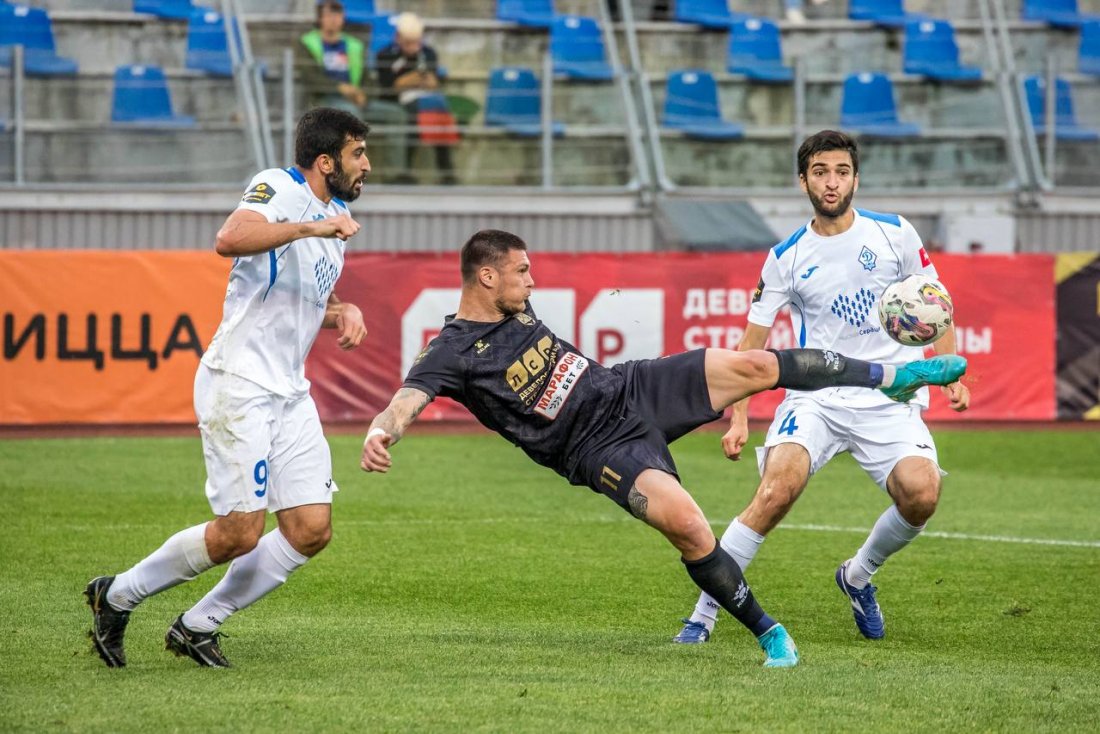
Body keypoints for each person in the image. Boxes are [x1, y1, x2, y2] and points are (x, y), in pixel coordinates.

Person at [359, 228, 967, 668]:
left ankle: (896, 376)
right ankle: (769, 633)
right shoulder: (450, 352)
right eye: (522, 272)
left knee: (757, 365)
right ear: (487, 277)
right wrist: (381, 431)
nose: (532, 281)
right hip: (596, 449)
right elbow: (407, 400)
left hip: (630, 387)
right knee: (691, 527)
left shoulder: (515, 307)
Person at [84, 107, 372, 669]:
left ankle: (198, 624)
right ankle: (116, 595)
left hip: (289, 392)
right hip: (239, 382)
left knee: (311, 529)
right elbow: (230, 238)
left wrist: (343, 310)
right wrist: (311, 227)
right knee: (240, 533)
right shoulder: (280, 187)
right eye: (357, 153)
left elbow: (305, 295)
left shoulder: (336, 214)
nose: (367, 165)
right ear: (324, 161)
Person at [672, 130, 971, 646]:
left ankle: (857, 576)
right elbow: (751, 346)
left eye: (841, 172)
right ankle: (702, 615)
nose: (831, 182)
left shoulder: (895, 233)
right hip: (818, 396)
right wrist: (738, 417)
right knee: (775, 492)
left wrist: (951, 372)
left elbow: (934, 301)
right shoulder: (786, 256)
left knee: (922, 495)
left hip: (890, 395)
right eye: (820, 172)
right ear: (803, 181)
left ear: (856, 179)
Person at [297, 0, 408, 181]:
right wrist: (339, 88)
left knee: (397, 114)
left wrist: (364, 94)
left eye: (337, 15)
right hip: (325, 100)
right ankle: (351, 174)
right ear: (320, 19)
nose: (333, 19)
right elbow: (310, 77)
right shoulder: (307, 43)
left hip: (356, 100)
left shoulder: (354, 45)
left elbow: (368, 78)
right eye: (328, 15)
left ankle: (395, 175)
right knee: (351, 114)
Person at [374, 12, 457, 185]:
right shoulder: (385, 54)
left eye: (416, 42)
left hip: (426, 100)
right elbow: (390, 86)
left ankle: (446, 169)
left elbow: (434, 82)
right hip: (396, 101)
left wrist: (412, 80)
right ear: (398, 38)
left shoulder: (428, 53)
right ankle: (406, 170)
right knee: (413, 117)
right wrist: (413, 79)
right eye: (408, 43)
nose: (413, 47)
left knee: (439, 109)